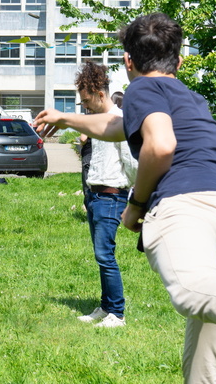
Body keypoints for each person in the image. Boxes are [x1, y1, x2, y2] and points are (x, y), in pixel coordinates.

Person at [34, 12, 216, 383]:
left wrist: (135, 205)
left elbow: (161, 145)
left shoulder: (141, 89)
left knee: (189, 290)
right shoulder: (188, 97)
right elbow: (118, 126)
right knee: (207, 342)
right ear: (179, 62)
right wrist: (69, 119)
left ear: (128, 62)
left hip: (187, 211)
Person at [72, 61, 137, 329]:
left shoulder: (120, 122)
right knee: (101, 255)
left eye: (86, 101)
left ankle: (117, 314)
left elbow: (133, 164)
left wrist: (131, 195)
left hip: (112, 198)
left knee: (105, 255)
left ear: (101, 95)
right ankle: (106, 306)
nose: (84, 107)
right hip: (96, 196)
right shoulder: (100, 122)